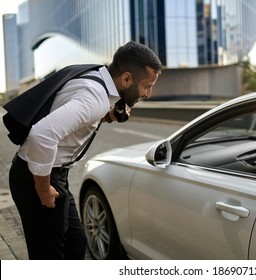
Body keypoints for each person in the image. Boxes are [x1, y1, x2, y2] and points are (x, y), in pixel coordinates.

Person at [8, 41, 162, 259]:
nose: (148, 93)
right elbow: (41, 136)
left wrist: (107, 116)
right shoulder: (95, 99)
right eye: (147, 86)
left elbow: (75, 107)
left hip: (52, 175)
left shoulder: (97, 76)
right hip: (37, 177)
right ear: (126, 79)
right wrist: (43, 190)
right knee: (49, 256)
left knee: (75, 244)